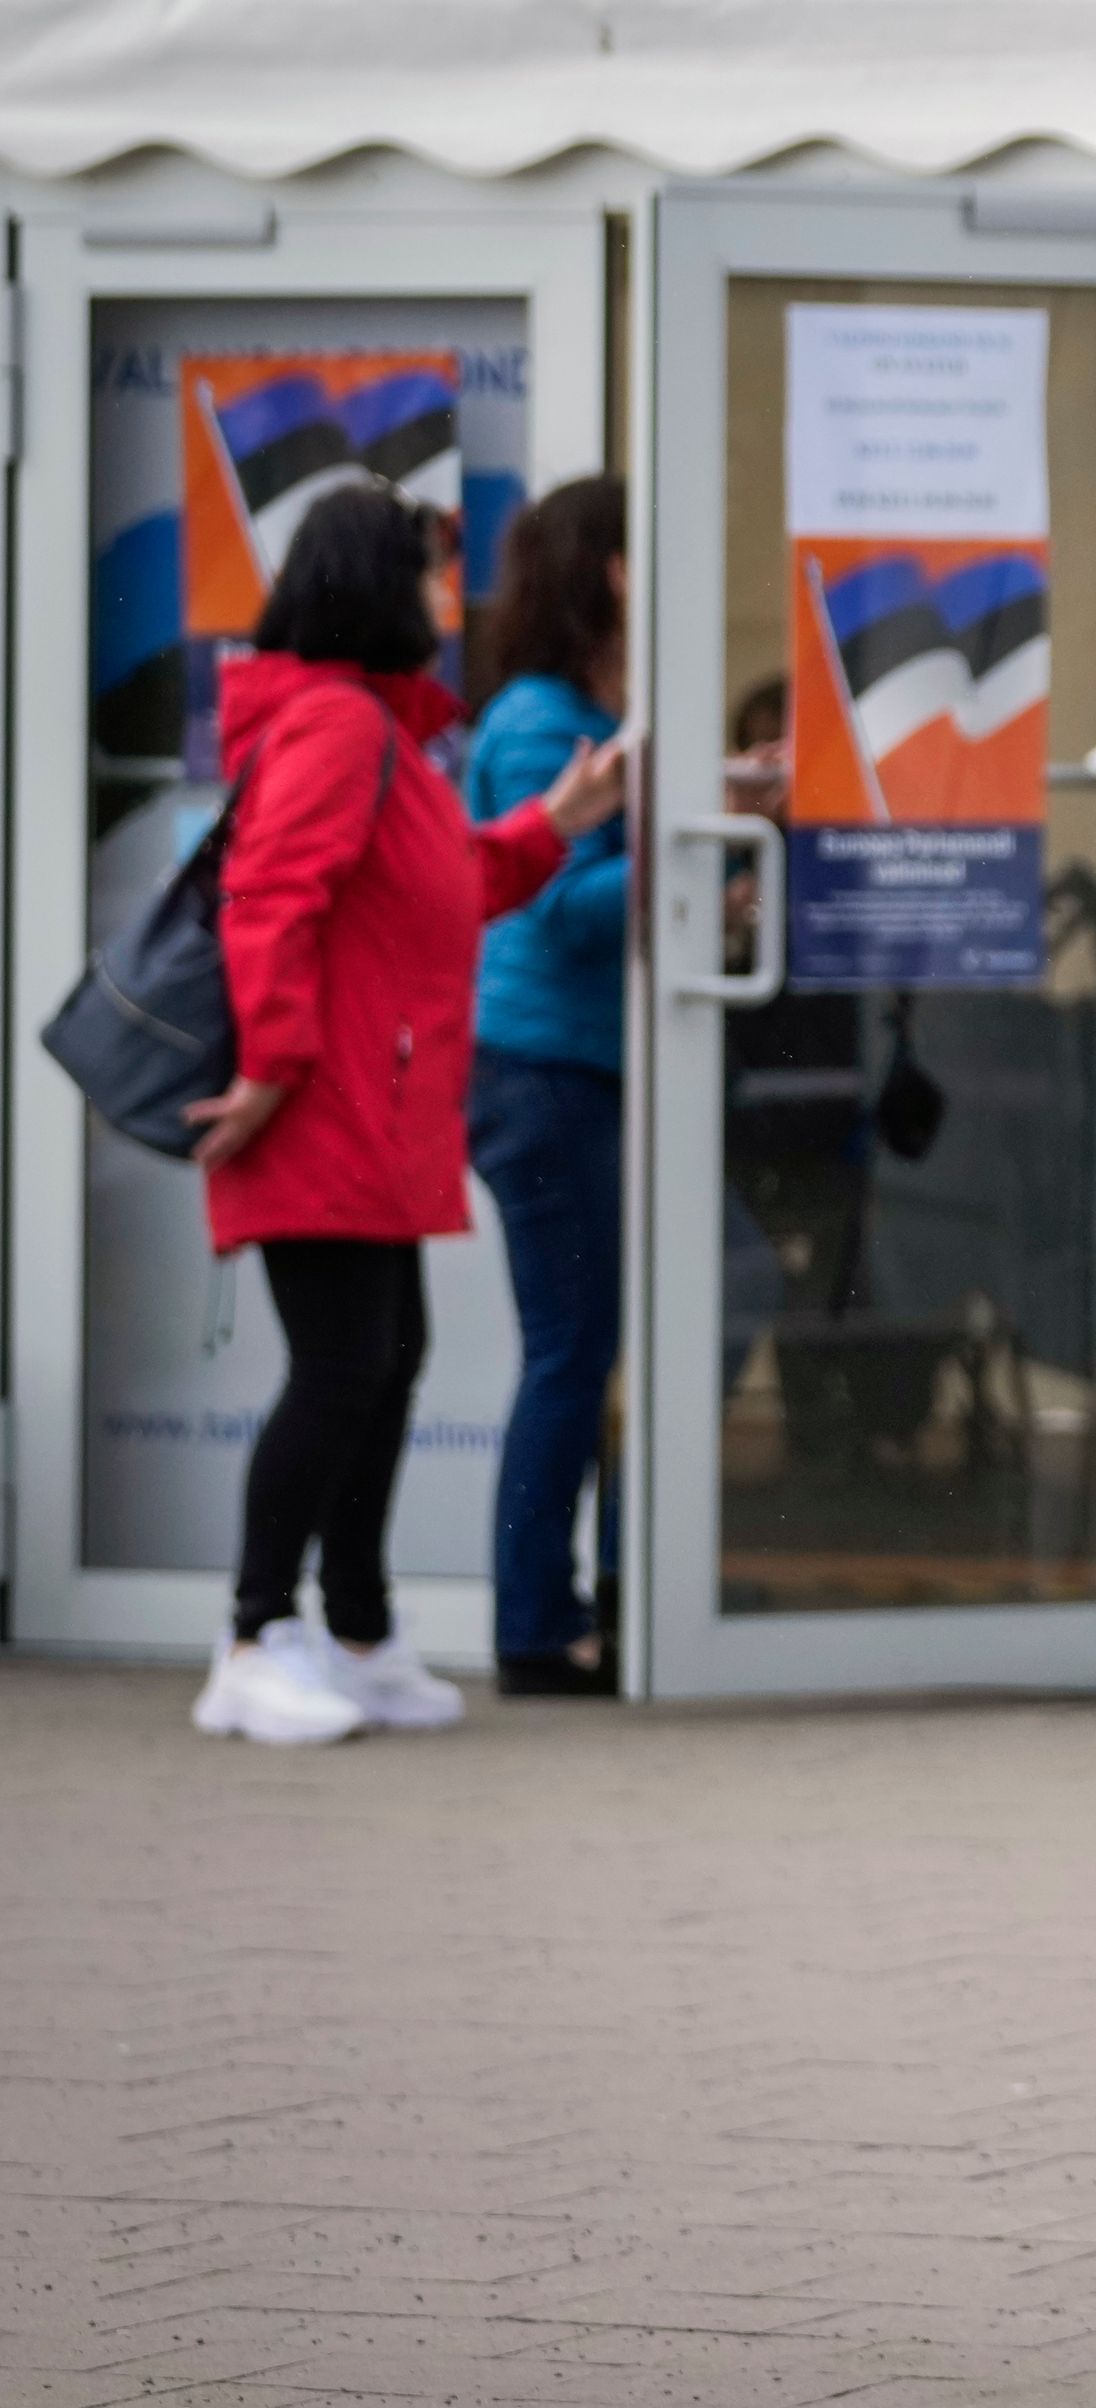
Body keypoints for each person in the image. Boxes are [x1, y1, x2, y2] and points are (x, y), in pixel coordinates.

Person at [185, 484, 627, 1746]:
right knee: (338, 1370)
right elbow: (270, 898)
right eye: (429, 576)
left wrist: (557, 821)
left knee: (383, 1364)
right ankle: (255, 1635)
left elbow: (454, 879)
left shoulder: (382, 731)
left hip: (373, 1111)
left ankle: (360, 1629)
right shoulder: (334, 727)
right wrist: (272, 1065)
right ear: (372, 584)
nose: (449, 602)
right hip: (319, 1104)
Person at [464, 475, 628, 1696]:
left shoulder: (575, 711)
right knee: (569, 1350)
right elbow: (561, 906)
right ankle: (534, 1627)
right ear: (612, 572)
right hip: (541, 1072)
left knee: (586, 1345)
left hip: (572, 1070)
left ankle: (599, 1598)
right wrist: (691, 873)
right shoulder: (536, 719)